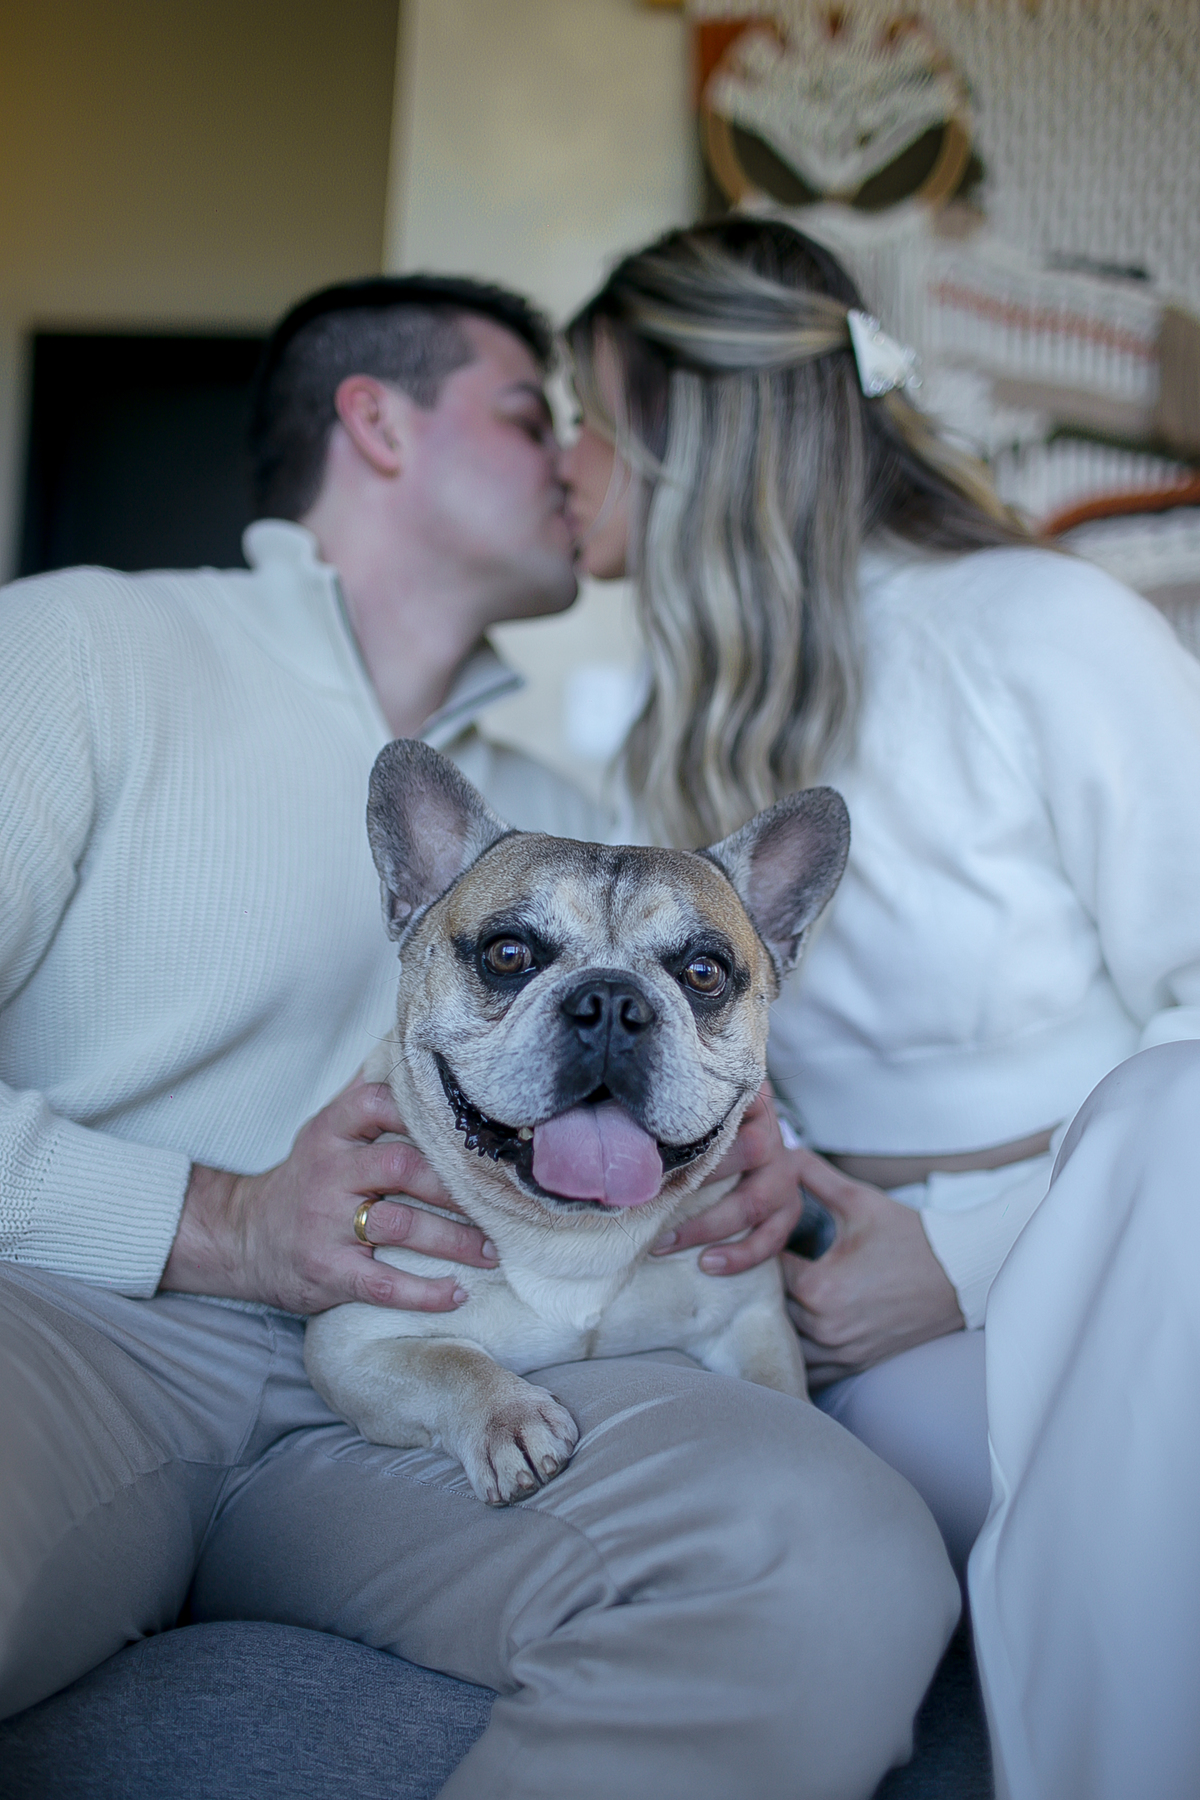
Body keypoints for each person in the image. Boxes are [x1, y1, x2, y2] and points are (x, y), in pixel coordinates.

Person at [0, 273, 960, 1800]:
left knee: (839, 1555)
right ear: (378, 425)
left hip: (452, 1376)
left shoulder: (571, 818)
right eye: (535, 417)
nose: (585, 461)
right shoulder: (79, 651)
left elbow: (705, 1039)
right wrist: (218, 1221)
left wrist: (753, 1169)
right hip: (86, 1328)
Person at [561, 217, 1200, 1800]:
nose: (564, 464)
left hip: (1115, 1269)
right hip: (817, 1299)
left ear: (692, 441)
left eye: (589, 421)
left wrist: (969, 1261)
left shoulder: (1042, 631)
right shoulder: (658, 733)